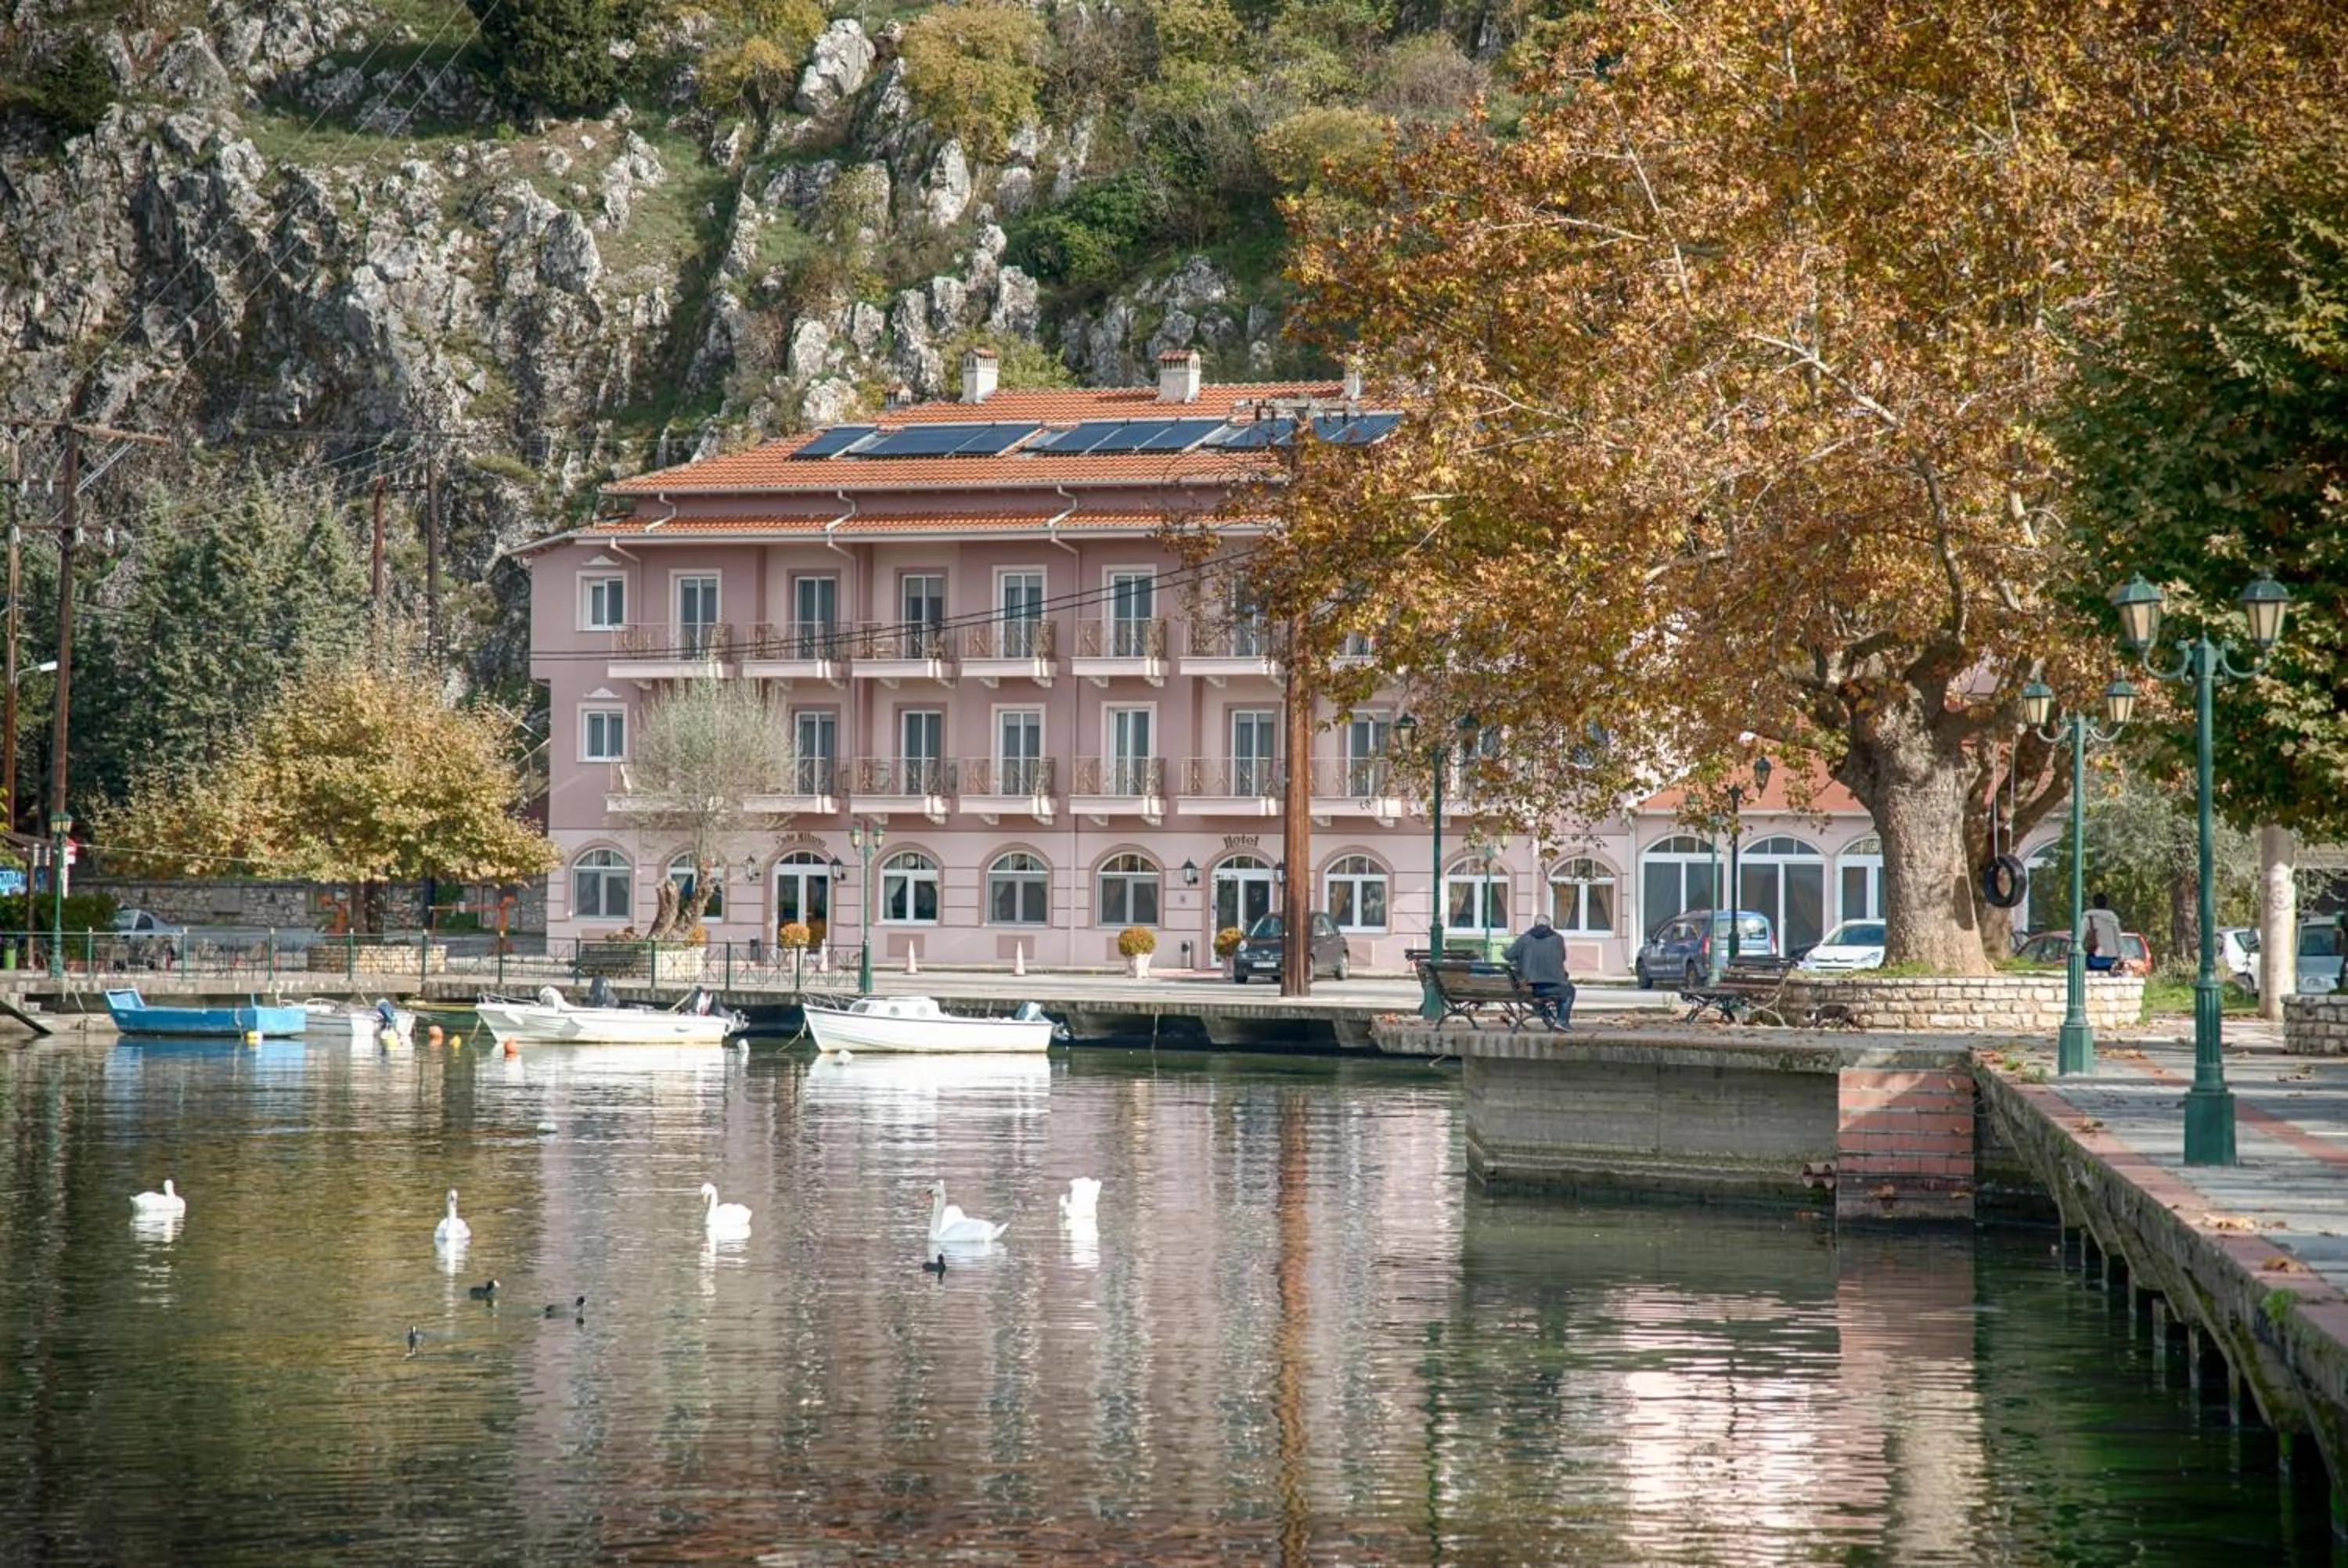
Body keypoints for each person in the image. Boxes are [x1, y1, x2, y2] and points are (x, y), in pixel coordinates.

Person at [1505, 917, 1576, 1030]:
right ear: (1550, 926)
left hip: (1530, 988)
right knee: (1569, 991)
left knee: (1538, 997)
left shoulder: (1525, 938)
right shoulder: (1558, 939)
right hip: (1554, 987)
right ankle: (1562, 1021)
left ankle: (1552, 1019)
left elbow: (1508, 956)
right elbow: (1562, 958)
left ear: (1534, 925)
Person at [2083, 892, 2123, 974]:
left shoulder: (2089, 918)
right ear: (2106, 904)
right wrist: (2120, 954)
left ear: (2094, 903)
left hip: (2094, 956)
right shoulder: (2113, 919)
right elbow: (2118, 938)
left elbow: (2079, 937)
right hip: (2111, 958)